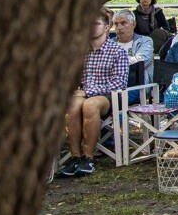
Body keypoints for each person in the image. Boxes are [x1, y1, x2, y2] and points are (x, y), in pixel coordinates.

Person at [59, 11, 130, 177]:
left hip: (107, 96)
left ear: (106, 28)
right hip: (81, 94)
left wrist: (87, 91)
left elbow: (119, 83)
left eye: (95, 24)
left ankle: (88, 158)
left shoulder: (117, 51)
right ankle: (75, 157)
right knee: (73, 105)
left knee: (89, 104)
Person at [111, 10, 153, 88]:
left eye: (123, 23)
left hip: (137, 86)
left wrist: (114, 64)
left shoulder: (145, 41)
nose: (119, 27)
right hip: (112, 85)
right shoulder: (110, 43)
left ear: (134, 24)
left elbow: (141, 61)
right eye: (116, 24)